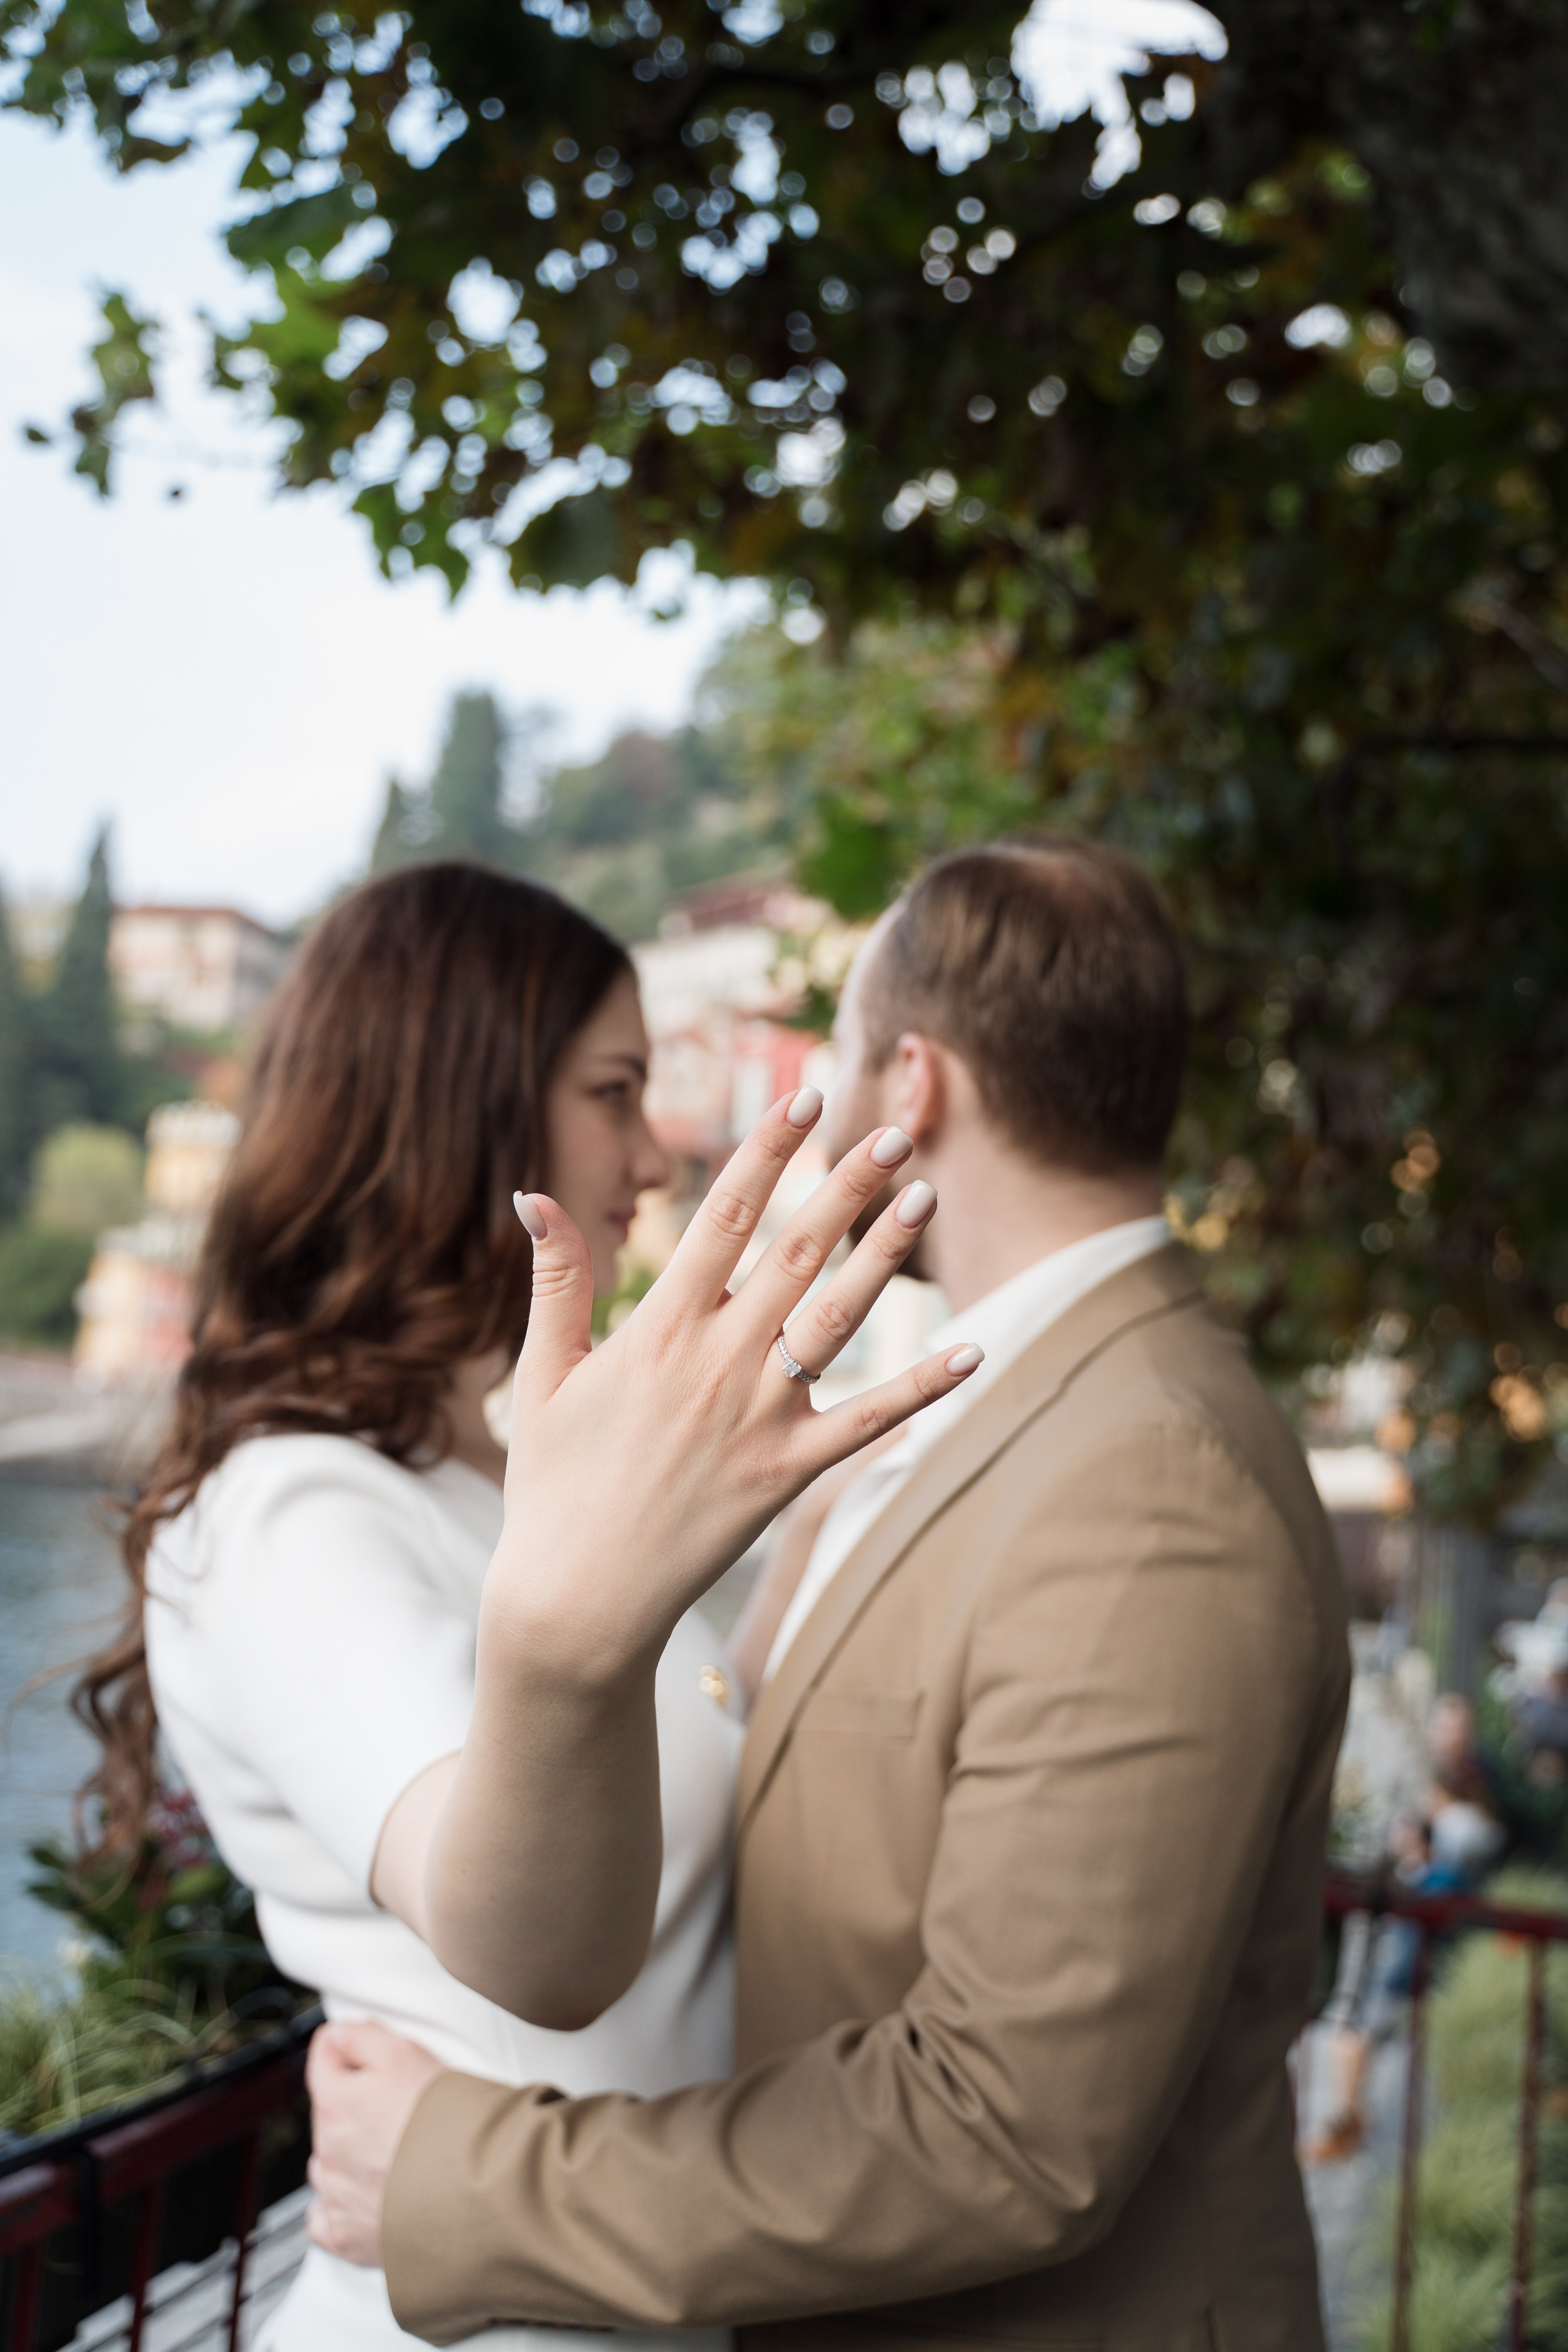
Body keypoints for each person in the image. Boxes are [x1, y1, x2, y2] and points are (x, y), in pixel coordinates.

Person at [307, 839, 1353, 2352]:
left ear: (910, 1085)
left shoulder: (1143, 1475)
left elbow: (1007, 2128)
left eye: (845, 1056)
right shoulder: (1021, 1412)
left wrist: (460, 2182)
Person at [77, 862, 962, 2352]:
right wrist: (587, 1620)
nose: (654, 1155)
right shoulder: (294, 1509)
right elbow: (538, 1950)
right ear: (458, 1108)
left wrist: (801, 1518)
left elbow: (659, 1770)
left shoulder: (491, 1481)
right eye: (614, 1093)